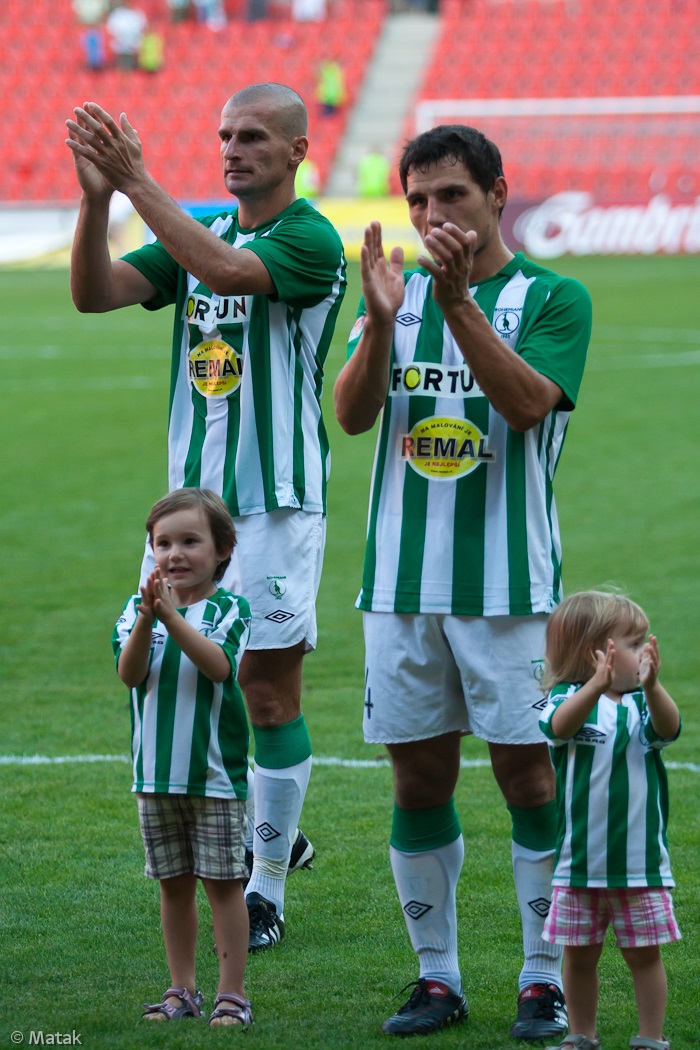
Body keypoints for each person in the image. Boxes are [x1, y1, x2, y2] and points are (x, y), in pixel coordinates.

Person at [66, 82, 347, 952]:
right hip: (191, 511)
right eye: (224, 134)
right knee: (183, 677)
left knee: (265, 688)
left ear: (297, 149)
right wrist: (95, 199)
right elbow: (96, 292)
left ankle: (266, 889)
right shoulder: (201, 230)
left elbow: (229, 277)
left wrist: (138, 181)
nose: (234, 148)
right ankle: (274, 831)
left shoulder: (308, 237)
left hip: (275, 504)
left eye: (254, 135)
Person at [333, 124, 592, 1038]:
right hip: (401, 591)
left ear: (497, 194)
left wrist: (457, 308)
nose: (435, 214)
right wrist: (377, 319)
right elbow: (354, 417)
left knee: (528, 779)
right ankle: (437, 978)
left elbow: (526, 408)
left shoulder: (556, 298)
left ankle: (540, 976)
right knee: (419, 783)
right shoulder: (397, 297)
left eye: (452, 196)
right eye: (419, 200)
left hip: (512, 594)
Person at [113, 488, 254, 1026]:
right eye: (162, 543)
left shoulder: (230, 609)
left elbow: (218, 667)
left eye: (190, 541)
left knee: (222, 886)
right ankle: (181, 989)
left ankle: (232, 993)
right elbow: (130, 674)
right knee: (172, 887)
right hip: (154, 778)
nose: (174, 554)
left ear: (222, 549)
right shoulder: (135, 610)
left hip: (213, 779)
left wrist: (172, 618)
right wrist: (151, 618)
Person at [539, 591, 681, 1050]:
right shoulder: (565, 699)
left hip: (639, 867)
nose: (645, 652)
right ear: (597, 654)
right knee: (579, 957)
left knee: (644, 955)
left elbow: (669, 728)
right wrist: (594, 687)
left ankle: (650, 1037)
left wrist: (654, 686)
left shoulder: (642, 704)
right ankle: (581, 1034)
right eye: (635, 643)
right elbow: (559, 727)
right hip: (580, 865)